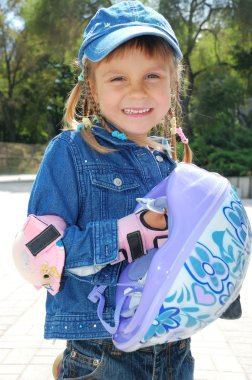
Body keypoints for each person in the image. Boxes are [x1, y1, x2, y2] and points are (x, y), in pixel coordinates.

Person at [13, 1, 240, 379]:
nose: (137, 91)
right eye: (118, 78)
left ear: (173, 83)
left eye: (152, 76)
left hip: (174, 349)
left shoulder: (170, 162)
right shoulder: (71, 152)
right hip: (104, 353)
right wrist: (130, 234)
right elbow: (39, 255)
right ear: (92, 87)